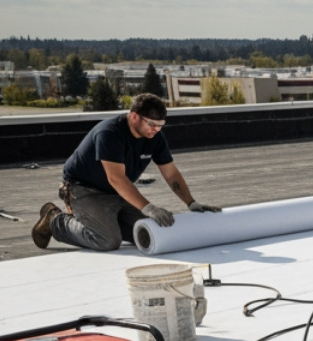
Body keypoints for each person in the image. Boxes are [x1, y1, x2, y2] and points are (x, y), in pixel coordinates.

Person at [31, 92, 221, 251]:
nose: (156, 130)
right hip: (83, 190)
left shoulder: (155, 137)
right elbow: (116, 178)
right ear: (134, 116)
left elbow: (171, 173)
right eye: (152, 124)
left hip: (117, 192)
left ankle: (107, 222)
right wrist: (149, 208)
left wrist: (191, 203)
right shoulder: (110, 133)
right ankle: (55, 220)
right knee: (107, 241)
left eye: (161, 125)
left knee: (148, 233)